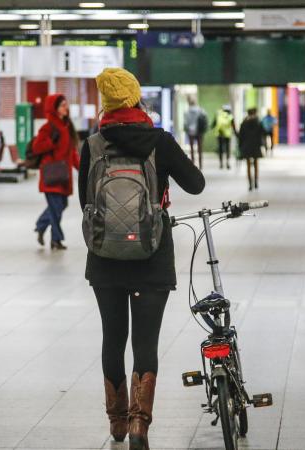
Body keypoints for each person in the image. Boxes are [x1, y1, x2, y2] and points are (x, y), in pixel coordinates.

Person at [79, 68, 205, 449]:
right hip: (151, 254)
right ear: (135, 98)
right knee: (145, 342)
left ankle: (116, 421)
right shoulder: (159, 141)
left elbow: (84, 201)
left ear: (106, 102)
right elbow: (196, 184)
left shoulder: (93, 145)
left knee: (112, 338)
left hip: (105, 256)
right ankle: (139, 425)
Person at [31, 94, 80, 250]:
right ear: (54, 108)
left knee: (60, 205)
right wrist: (52, 141)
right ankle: (56, 240)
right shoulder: (48, 127)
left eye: (66, 104)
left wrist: (82, 167)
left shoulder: (67, 127)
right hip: (52, 174)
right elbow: (36, 147)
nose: (66, 108)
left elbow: (72, 152)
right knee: (56, 207)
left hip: (63, 176)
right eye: (62, 105)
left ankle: (41, 225)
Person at [238, 108, 265, 191]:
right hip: (256, 146)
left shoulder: (244, 123)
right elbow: (262, 133)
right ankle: (256, 182)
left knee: (248, 165)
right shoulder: (258, 122)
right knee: (256, 164)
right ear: (255, 113)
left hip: (246, 146)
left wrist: (241, 146)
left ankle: (250, 184)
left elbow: (240, 136)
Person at [183, 96, 208, 169]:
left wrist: (187, 129)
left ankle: (193, 164)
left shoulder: (187, 112)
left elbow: (185, 123)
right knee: (200, 149)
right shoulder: (201, 110)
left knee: (192, 149)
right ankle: (200, 165)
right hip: (199, 132)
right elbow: (205, 118)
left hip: (191, 132)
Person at [212, 104, 235, 170]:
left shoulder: (218, 114)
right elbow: (233, 126)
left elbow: (214, 123)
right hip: (227, 135)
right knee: (227, 149)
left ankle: (221, 163)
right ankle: (227, 163)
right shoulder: (230, 116)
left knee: (220, 149)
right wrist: (237, 134)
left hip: (219, 134)